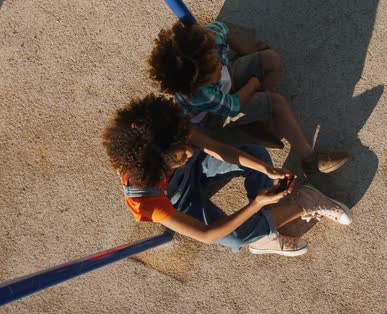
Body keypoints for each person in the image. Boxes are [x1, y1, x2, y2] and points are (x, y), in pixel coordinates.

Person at [102, 94, 352, 256]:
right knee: (235, 238)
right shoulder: (146, 201)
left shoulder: (165, 131)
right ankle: (303, 203)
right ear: (160, 164)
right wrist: (256, 203)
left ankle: (264, 229)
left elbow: (219, 149)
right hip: (178, 200)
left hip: (191, 175)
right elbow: (207, 235)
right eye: (181, 155)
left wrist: (264, 169)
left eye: (186, 143)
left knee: (253, 152)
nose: (191, 151)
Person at [147, 21, 349, 175]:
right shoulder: (200, 95)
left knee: (271, 59)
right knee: (277, 102)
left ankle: (262, 117)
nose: (218, 68)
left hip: (229, 83)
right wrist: (252, 84)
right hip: (209, 121)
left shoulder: (209, 41)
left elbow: (223, 29)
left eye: (214, 62)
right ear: (193, 85)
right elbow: (233, 106)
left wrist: (244, 50)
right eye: (211, 75)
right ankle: (309, 159)